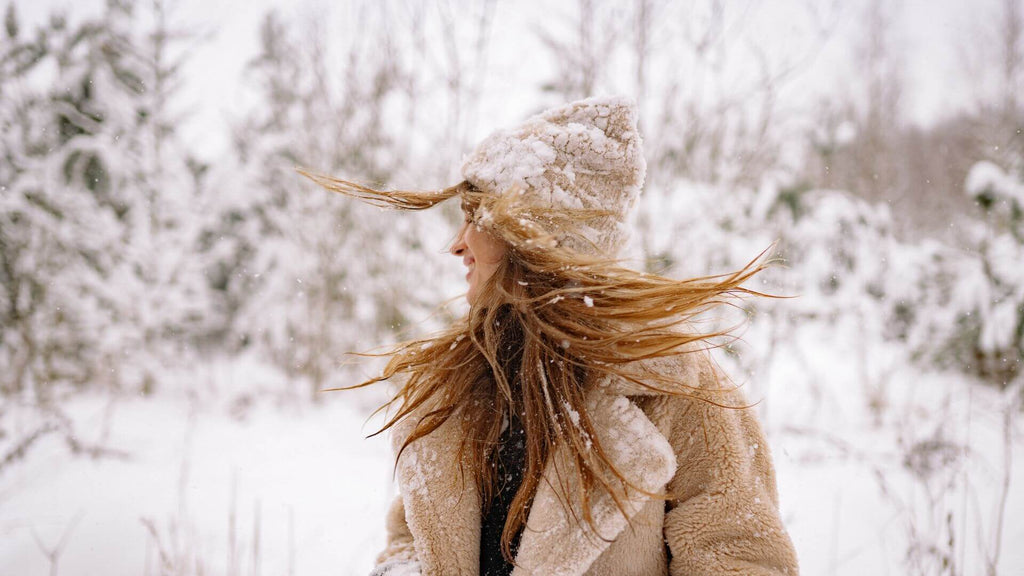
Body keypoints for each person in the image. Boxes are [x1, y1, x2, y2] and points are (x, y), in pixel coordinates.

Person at [300, 95, 799, 576]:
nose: (457, 245)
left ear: (539, 233)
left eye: (475, 217)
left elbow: (742, 561)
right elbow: (415, 534)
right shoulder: (460, 387)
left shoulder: (680, 393)